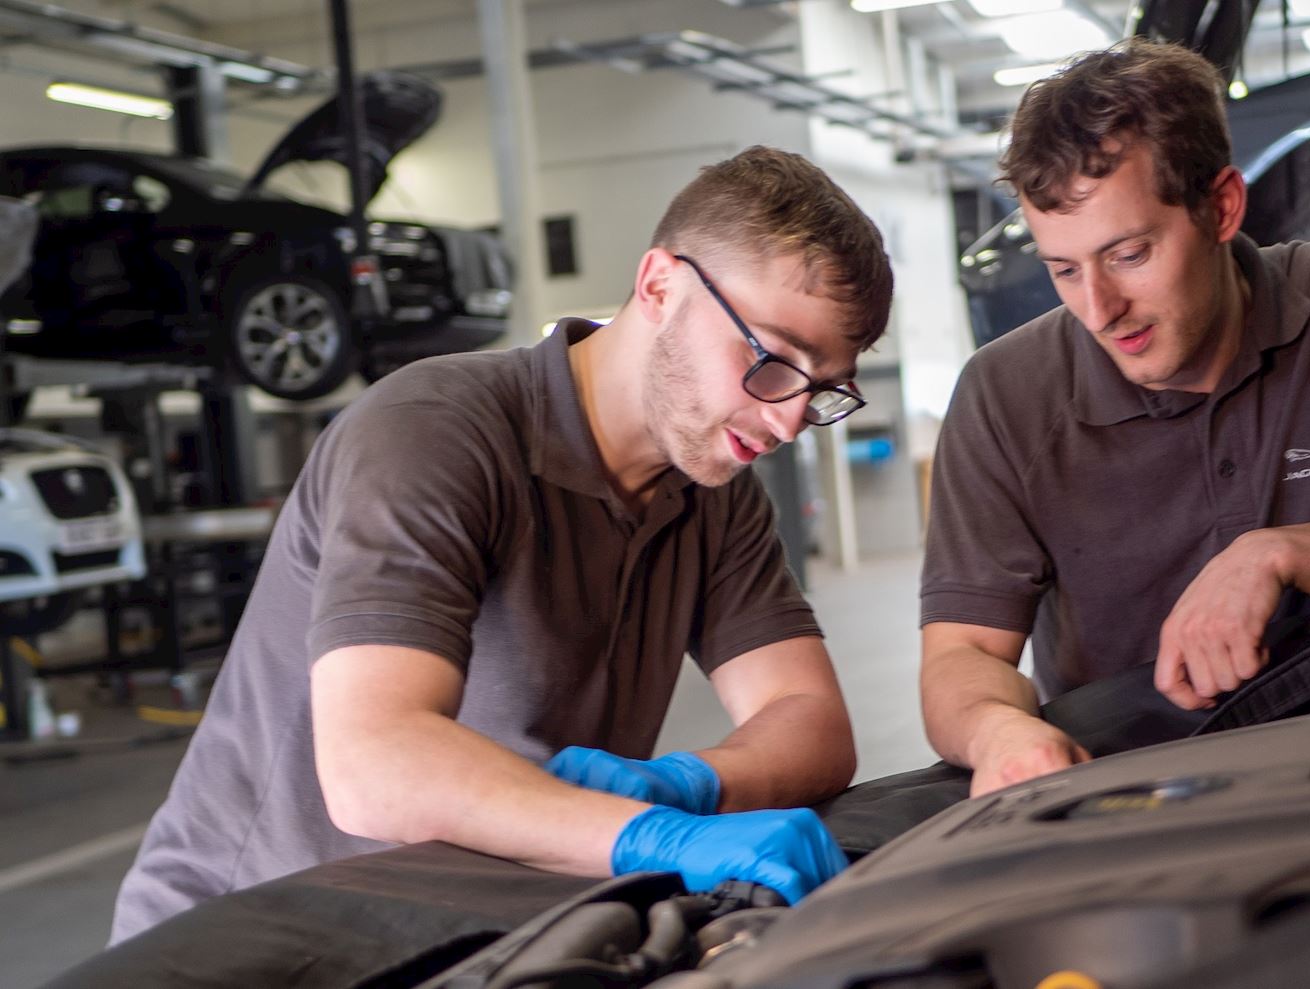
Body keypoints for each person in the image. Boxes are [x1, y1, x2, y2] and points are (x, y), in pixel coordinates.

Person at [111, 146, 894, 941]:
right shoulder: (436, 432)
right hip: (258, 935)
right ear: (660, 284)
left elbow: (809, 718)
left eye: (824, 386)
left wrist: (689, 783)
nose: (791, 418)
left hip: (463, 925)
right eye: (770, 361)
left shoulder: (713, 495)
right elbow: (374, 764)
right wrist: (652, 837)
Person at [919, 40, 1310, 798]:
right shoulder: (1002, 393)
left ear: (1221, 206)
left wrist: (1276, 553)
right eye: (1063, 270)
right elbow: (963, 655)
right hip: (1131, 794)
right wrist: (1000, 730)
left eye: (1128, 254)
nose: (1098, 309)